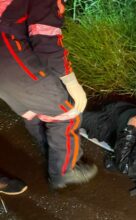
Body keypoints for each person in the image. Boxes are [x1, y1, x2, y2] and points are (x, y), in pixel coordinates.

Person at [0, 0, 97, 189]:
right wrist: (67, 79)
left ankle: (52, 153)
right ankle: (64, 171)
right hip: (9, 55)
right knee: (66, 113)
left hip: (6, 65)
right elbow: (45, 37)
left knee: (33, 110)